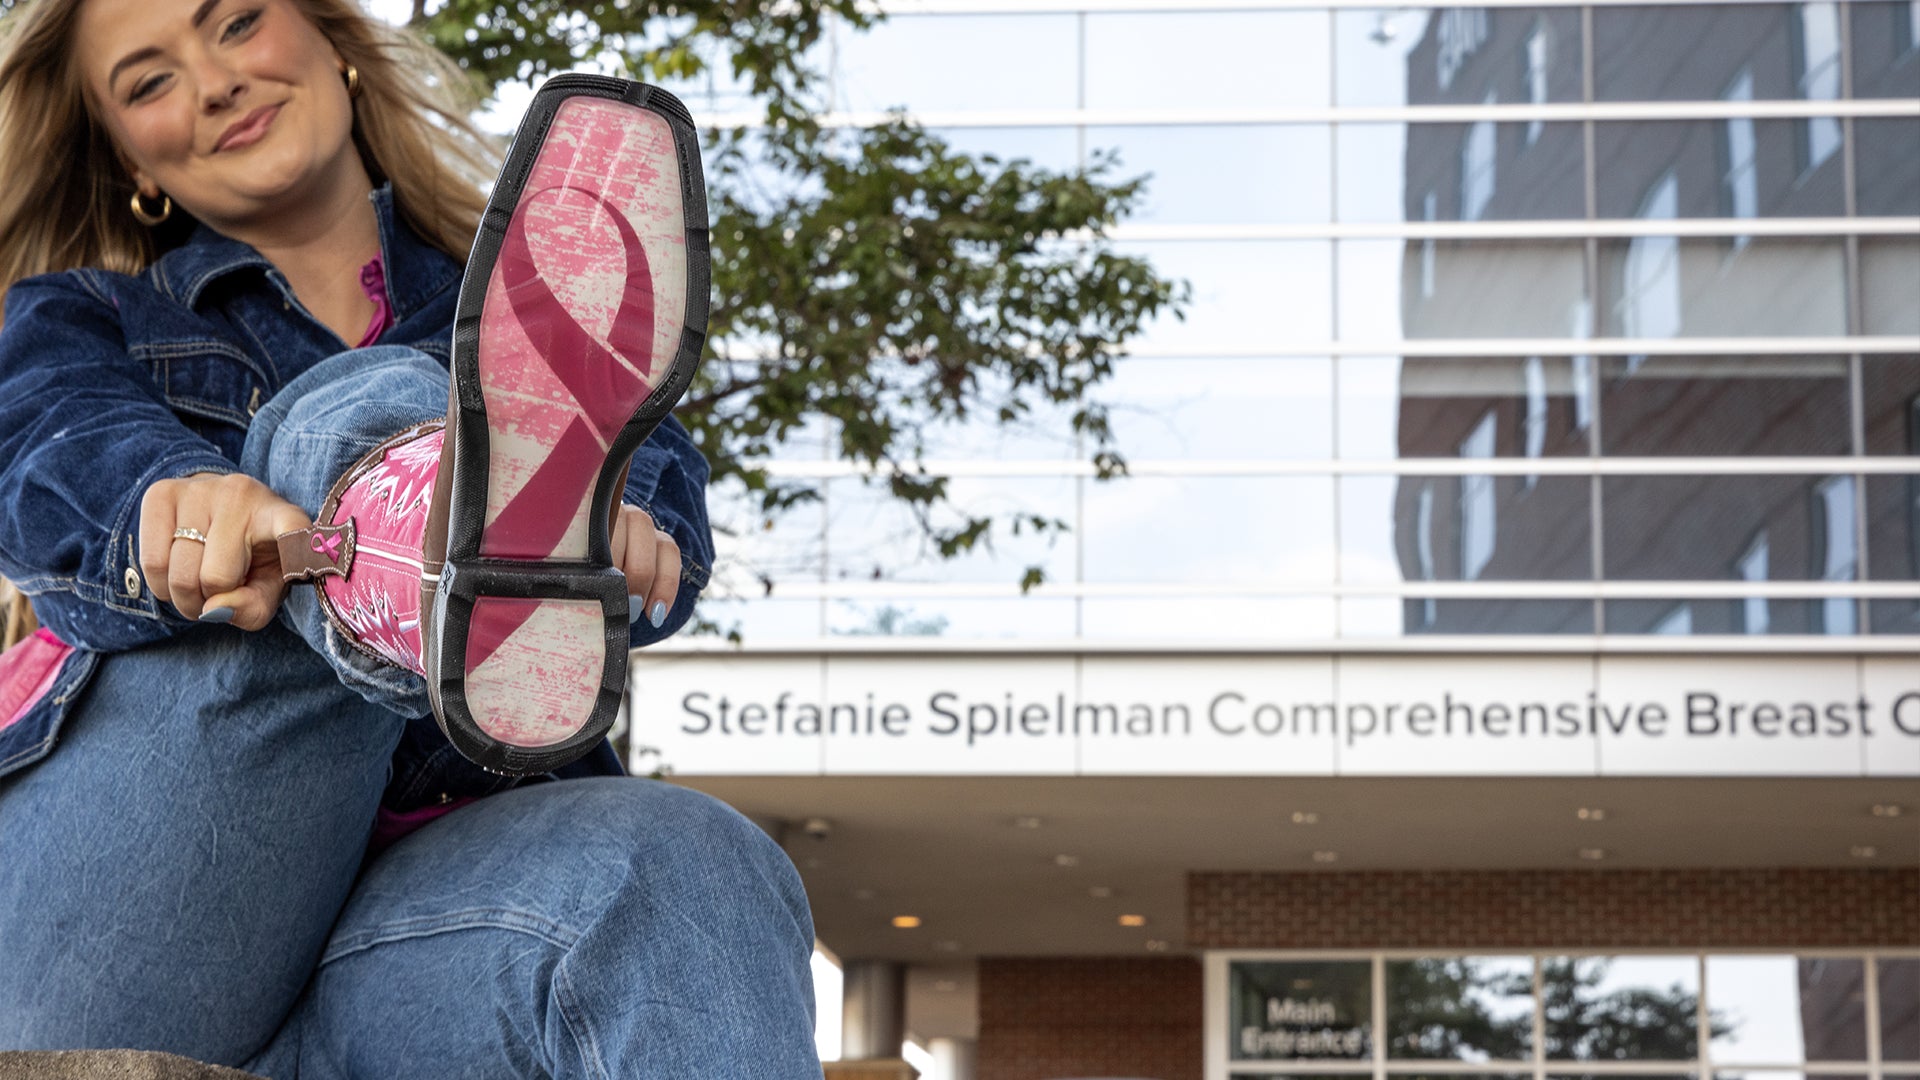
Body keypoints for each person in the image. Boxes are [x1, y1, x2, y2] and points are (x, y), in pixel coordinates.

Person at [0, 0, 822, 1073]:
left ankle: (470, 523)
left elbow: (659, 485)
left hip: (409, 949)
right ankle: (417, 518)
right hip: (142, 927)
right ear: (128, 160)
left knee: (690, 865)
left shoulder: (549, 316)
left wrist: (636, 532)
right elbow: (49, 447)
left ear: (335, 41)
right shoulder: (76, 319)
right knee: (357, 409)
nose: (211, 82)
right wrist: (172, 496)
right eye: (149, 82)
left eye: (238, 22)